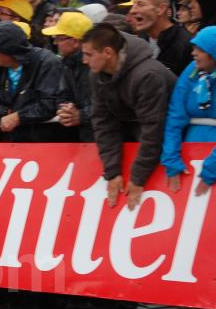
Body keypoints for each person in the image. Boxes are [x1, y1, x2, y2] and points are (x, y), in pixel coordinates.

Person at [83, 23, 177, 210]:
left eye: (88, 54)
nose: (84, 61)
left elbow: (153, 128)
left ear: (108, 52)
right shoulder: (97, 76)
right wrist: (112, 171)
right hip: (137, 131)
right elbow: (102, 123)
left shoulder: (147, 75)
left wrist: (138, 177)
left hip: (172, 138)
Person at [0, 21, 67, 142]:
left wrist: (18, 117)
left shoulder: (47, 63)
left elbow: (50, 103)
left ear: (8, 49)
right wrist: (6, 113)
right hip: (14, 143)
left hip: (46, 143)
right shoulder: (0, 68)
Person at [162, 26, 216, 195]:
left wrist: (210, 171)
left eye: (200, 49)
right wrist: (171, 159)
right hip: (189, 150)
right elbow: (175, 116)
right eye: (194, 48)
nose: (194, 53)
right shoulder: (192, 71)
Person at [42, 11, 95, 141]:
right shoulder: (68, 64)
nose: (55, 43)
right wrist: (65, 109)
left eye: (59, 38)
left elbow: (108, 105)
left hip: (105, 139)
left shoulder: (96, 65)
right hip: (83, 138)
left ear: (75, 41)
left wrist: (81, 115)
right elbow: (62, 96)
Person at [130, 0, 192, 75]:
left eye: (140, 4)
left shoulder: (186, 44)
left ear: (160, 9)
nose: (132, 11)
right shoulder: (139, 41)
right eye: (133, 4)